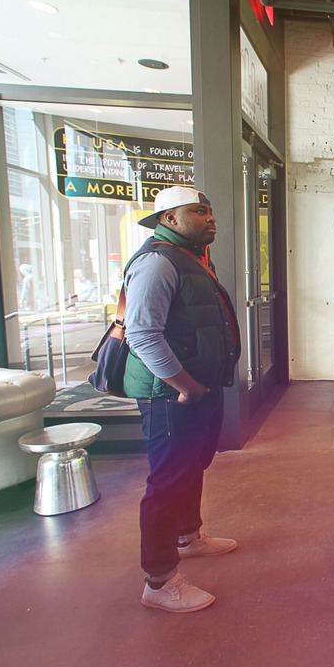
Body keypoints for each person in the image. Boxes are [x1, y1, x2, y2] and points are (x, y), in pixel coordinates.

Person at [123, 185, 242, 613]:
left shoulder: (190, 258)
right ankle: (159, 582)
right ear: (169, 219)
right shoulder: (157, 262)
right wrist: (184, 385)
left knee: (192, 466)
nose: (210, 218)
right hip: (170, 396)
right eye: (198, 211)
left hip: (196, 390)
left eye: (210, 210)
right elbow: (142, 333)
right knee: (168, 482)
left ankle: (188, 536)